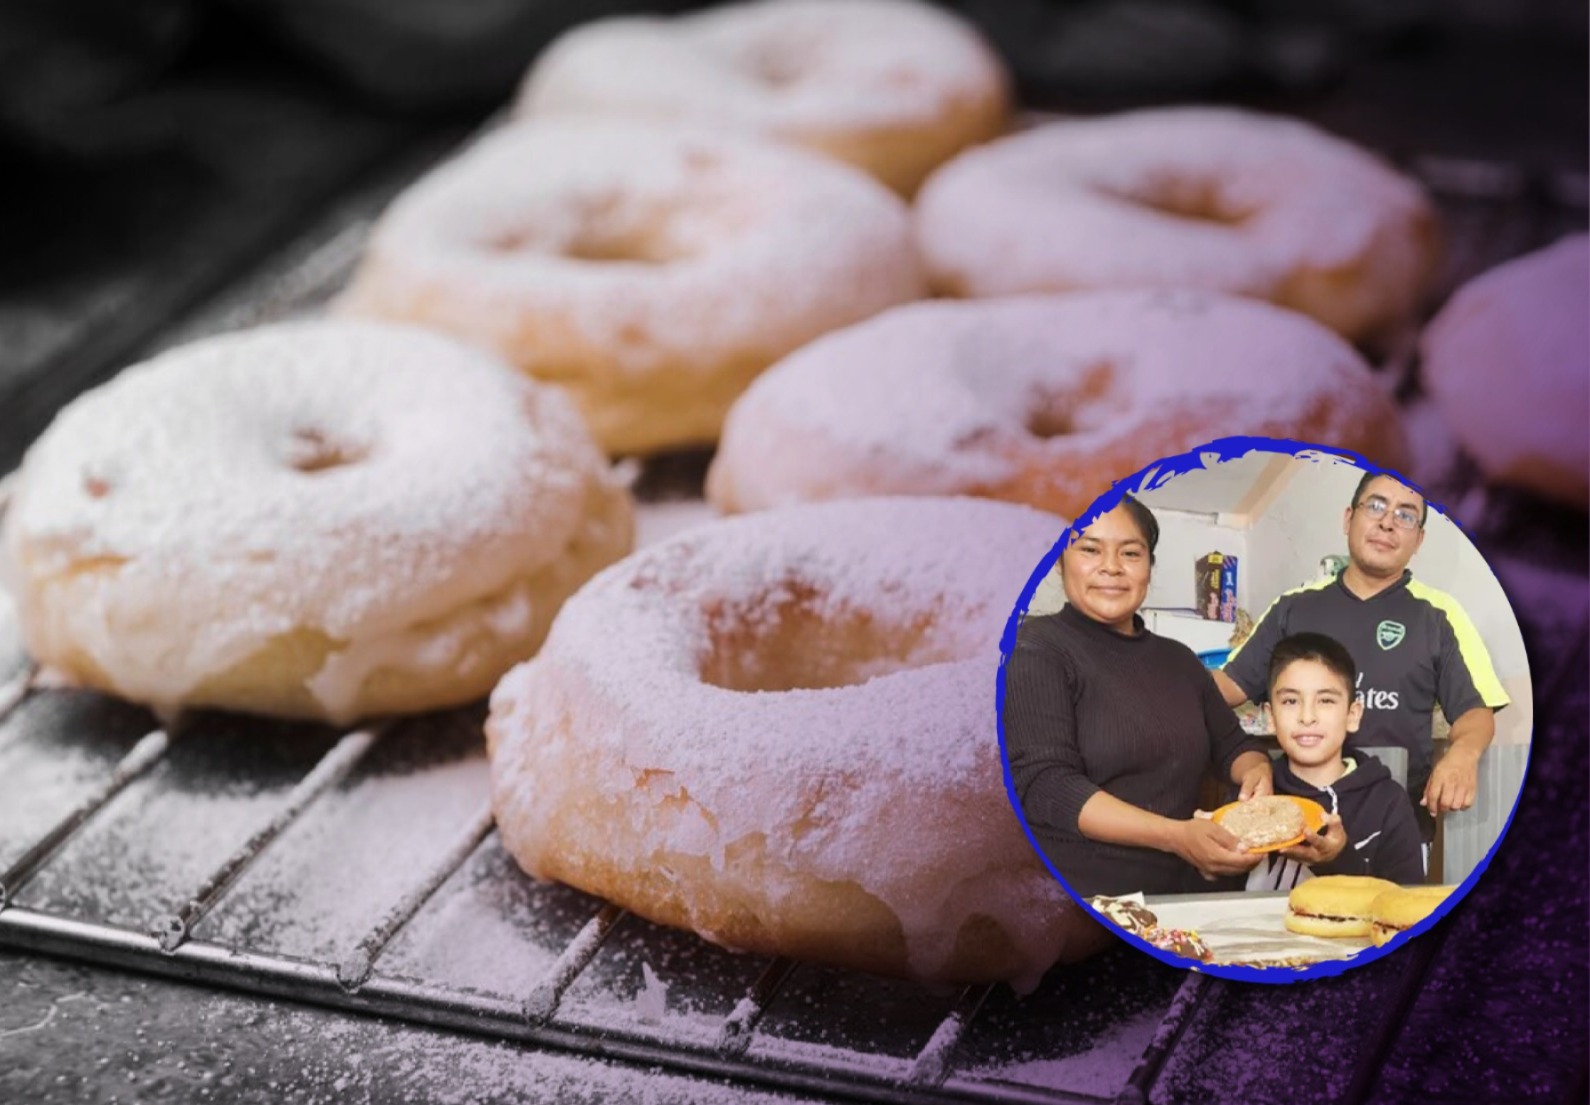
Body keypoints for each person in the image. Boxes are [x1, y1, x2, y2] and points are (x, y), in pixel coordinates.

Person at [1214, 472, 1509, 843]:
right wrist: (1156, 671)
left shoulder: (1438, 615)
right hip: (1297, 825)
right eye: (1376, 506)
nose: (1387, 522)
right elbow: (1225, 688)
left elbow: (1475, 711)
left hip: (1398, 825)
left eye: (1405, 515)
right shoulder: (1294, 606)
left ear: (1418, 539)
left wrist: (1463, 755)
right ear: (1348, 518)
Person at [1003, 497, 1273, 897]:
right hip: (1085, 897)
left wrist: (1257, 772)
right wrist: (1176, 836)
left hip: (1183, 893)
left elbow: (1236, 746)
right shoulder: (1036, 649)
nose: (1111, 566)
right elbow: (1048, 786)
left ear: (1149, 566)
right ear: (1059, 561)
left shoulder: (1179, 660)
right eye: (1090, 549)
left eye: (1130, 552)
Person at [1245, 632, 1426, 890]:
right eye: (1290, 701)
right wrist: (1208, 859)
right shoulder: (1253, 794)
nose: (1307, 717)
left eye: (1326, 700)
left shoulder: (1388, 802)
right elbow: (1212, 901)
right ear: (1270, 716)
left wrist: (1339, 859)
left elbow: (1405, 904)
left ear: (1353, 714)